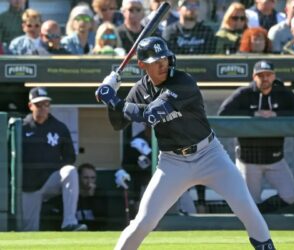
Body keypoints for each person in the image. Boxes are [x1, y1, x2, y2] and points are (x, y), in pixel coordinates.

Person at [95, 36, 276, 250]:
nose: (163, 65)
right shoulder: (140, 90)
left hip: (210, 155)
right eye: (156, 62)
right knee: (143, 222)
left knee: (246, 208)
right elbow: (118, 123)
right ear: (142, 65)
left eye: (165, 59)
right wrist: (112, 95)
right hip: (172, 163)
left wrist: (114, 100)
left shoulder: (183, 82)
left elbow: (151, 115)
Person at [218, 60, 294, 213]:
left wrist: (277, 114)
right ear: (254, 77)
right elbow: (223, 113)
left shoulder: (283, 93)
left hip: (275, 157)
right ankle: (256, 221)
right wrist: (252, 114)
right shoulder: (244, 93)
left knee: (290, 197)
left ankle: (263, 213)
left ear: (274, 76)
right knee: (249, 201)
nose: (265, 78)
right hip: (248, 158)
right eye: (261, 75)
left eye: (268, 75)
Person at [22, 87, 87, 231]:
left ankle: (69, 222)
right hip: (28, 186)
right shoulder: (21, 127)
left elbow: (70, 156)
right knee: (28, 230)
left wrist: (54, 167)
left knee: (70, 171)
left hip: (51, 180)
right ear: (30, 106)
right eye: (39, 105)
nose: (43, 108)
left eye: (46, 104)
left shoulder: (59, 127)